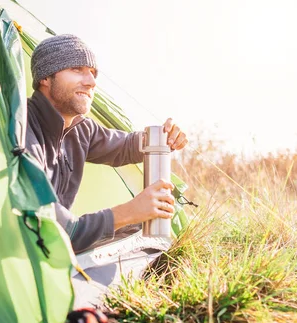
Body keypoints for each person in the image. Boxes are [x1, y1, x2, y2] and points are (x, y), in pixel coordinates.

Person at [25, 34, 188, 253]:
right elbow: (51, 229)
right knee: (134, 226)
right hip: (29, 247)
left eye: (92, 73)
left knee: (143, 236)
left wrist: (164, 137)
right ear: (46, 76)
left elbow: (126, 146)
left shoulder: (81, 129)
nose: (91, 81)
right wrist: (129, 211)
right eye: (77, 69)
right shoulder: (23, 126)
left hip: (60, 243)